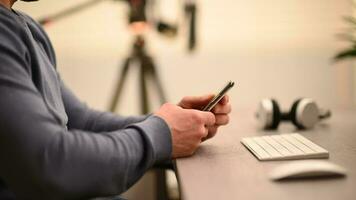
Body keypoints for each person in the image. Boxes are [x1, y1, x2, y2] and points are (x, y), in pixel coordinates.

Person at [0, 0, 231, 199]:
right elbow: (50, 164)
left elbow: (83, 122)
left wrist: (173, 125)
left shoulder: (28, 27)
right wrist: (161, 133)